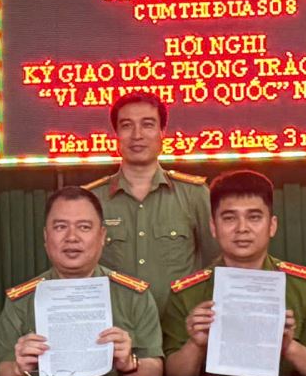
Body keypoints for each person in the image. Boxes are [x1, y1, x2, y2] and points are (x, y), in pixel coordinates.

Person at [161, 169, 306, 376]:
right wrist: (196, 344)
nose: (242, 228)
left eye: (254, 217)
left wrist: (288, 346)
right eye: (229, 218)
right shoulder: (187, 294)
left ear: (272, 226)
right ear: (213, 227)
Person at [0, 186, 163, 376]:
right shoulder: (21, 301)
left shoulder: (134, 296)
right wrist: (18, 369)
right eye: (60, 227)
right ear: (46, 237)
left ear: (102, 236)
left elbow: (156, 372)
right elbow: (2, 371)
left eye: (84, 227)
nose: (72, 237)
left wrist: (128, 364)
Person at [84, 92, 211, 306]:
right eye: (127, 126)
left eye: (148, 125)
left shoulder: (195, 195)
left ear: (162, 132)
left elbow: (216, 264)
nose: (137, 135)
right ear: (116, 134)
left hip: (181, 324)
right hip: (116, 324)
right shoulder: (91, 200)